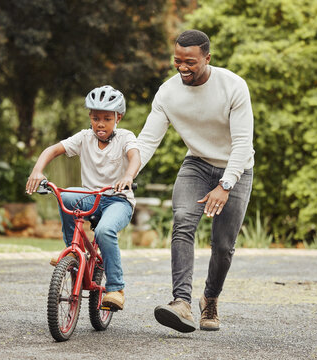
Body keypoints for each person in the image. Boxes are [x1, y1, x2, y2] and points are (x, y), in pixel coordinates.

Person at [137, 30, 254, 332]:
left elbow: (242, 144)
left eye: (190, 62)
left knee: (224, 245)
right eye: (177, 61)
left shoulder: (233, 86)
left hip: (236, 169)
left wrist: (226, 184)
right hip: (197, 164)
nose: (183, 67)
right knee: (182, 222)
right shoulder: (168, 93)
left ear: (207, 58)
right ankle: (182, 302)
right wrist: (126, 174)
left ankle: (210, 300)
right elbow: (147, 142)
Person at [26, 85, 141, 310]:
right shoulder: (84, 137)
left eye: (107, 118)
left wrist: (128, 176)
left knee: (104, 230)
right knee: (66, 195)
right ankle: (74, 252)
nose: (100, 123)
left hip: (118, 200)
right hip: (90, 197)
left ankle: (116, 288)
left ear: (119, 117)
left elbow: (134, 156)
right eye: (96, 117)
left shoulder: (126, 137)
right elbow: (52, 150)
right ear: (89, 116)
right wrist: (37, 170)